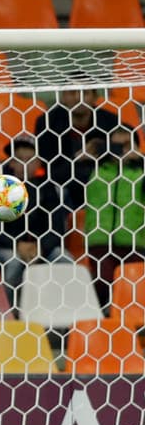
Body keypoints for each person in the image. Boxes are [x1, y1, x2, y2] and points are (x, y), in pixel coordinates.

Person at [0, 136, 70, 307]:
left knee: (65, 260)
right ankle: (8, 312)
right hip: (9, 247)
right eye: (19, 159)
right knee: (13, 262)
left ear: (38, 162)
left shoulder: (47, 188)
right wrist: (17, 245)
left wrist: (41, 247)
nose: (24, 164)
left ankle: (69, 315)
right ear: (11, 163)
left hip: (41, 247)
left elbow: (57, 226)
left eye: (30, 159)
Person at [84, 126, 145, 309]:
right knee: (103, 285)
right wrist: (83, 157)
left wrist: (141, 160)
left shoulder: (140, 173)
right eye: (117, 145)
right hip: (100, 239)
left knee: (133, 290)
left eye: (127, 145)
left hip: (134, 240)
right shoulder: (96, 170)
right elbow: (61, 178)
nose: (122, 151)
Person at [32, 84, 118, 197]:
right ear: (63, 97)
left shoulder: (110, 122)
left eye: (85, 93)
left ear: (95, 97)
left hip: (102, 183)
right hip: (61, 186)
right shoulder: (47, 122)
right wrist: (78, 158)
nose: (78, 97)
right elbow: (49, 169)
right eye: (72, 93)